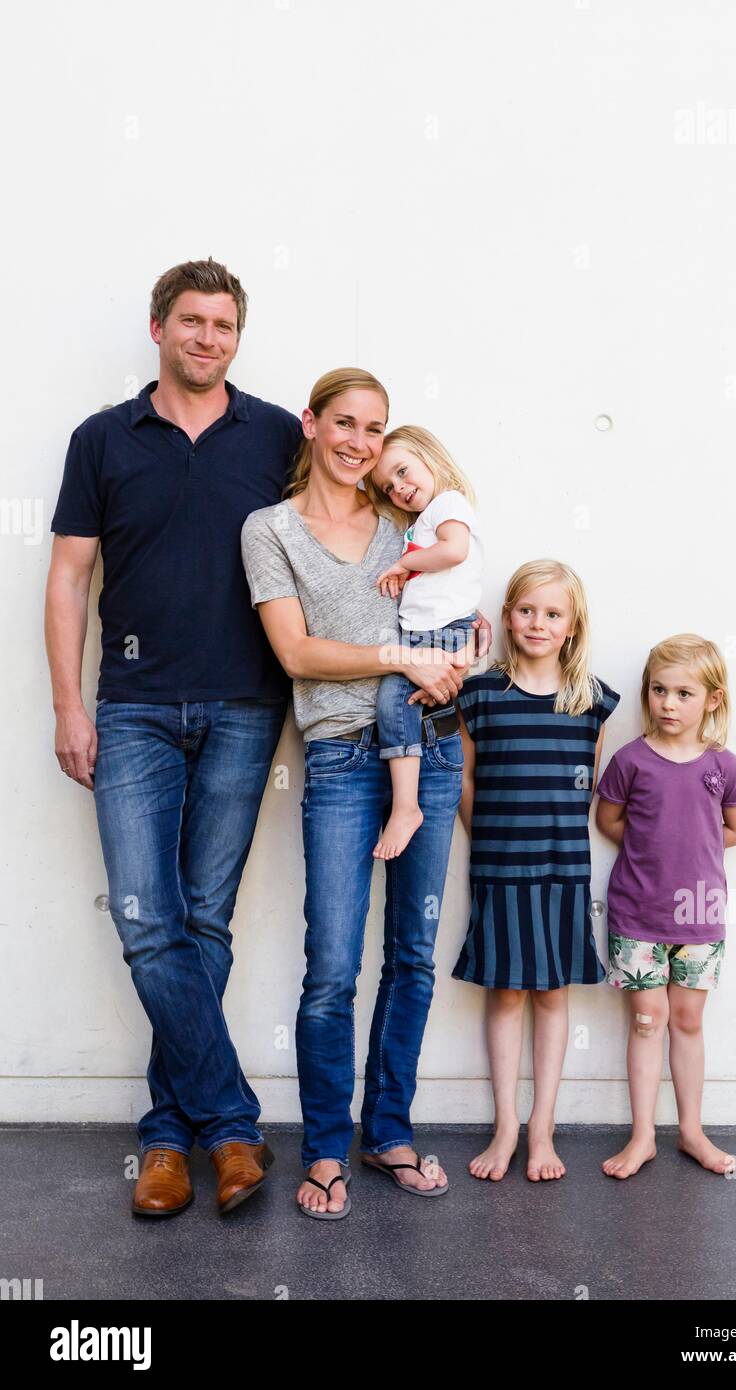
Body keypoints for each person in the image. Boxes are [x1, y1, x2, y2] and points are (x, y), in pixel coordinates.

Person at [45, 258, 302, 1217]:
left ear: (239, 337)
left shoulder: (278, 435)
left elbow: (345, 525)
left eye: (223, 325)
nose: (207, 338)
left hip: (245, 705)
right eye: (190, 321)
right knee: (148, 920)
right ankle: (231, 1126)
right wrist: (70, 706)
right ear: (158, 327)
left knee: (202, 922)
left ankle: (164, 1139)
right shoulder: (102, 439)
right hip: (133, 709)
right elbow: (71, 577)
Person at [240, 368, 493, 1220]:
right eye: (344, 423)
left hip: (431, 747)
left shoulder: (406, 523)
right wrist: (402, 660)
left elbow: (457, 606)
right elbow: (299, 655)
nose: (360, 443)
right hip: (343, 761)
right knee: (334, 966)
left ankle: (387, 1132)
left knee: (412, 959)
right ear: (311, 425)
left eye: (375, 430)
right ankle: (322, 1150)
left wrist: (464, 647)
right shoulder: (271, 529)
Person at [451, 560, 620, 1182]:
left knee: (551, 993)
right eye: (526, 610)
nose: (537, 623)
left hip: (561, 869)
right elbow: (465, 777)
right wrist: (488, 836)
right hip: (498, 866)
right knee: (506, 993)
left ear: (572, 627)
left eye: (553, 614)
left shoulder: (591, 701)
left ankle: (543, 1131)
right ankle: (505, 1127)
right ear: (507, 616)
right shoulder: (479, 694)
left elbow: (587, 787)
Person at [595, 634, 736, 1179]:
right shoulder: (630, 760)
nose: (667, 703)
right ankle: (642, 1137)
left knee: (687, 1020)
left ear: (711, 699)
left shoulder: (724, 766)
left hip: (700, 918)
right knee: (646, 1021)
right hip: (637, 914)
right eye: (659, 690)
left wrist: (691, 844)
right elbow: (608, 822)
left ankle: (691, 1132)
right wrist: (656, 845)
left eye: (683, 693)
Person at [366, 426, 484, 859]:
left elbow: (455, 552)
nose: (399, 488)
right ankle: (408, 804)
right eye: (389, 487)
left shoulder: (447, 504)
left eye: (402, 471)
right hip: (426, 633)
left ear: (430, 457)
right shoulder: (419, 522)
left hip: (439, 632)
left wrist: (403, 562)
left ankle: (406, 806)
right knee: (410, 707)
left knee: (394, 704)